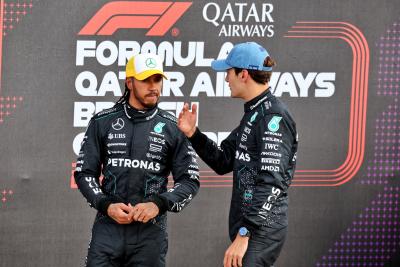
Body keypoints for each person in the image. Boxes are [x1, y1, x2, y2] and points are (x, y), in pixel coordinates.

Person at [178, 42, 298, 267]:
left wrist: (245, 233)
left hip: (260, 232)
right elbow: (223, 160)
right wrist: (193, 133)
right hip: (251, 230)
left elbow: (272, 183)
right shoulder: (255, 113)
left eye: (228, 72)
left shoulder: (273, 117)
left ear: (243, 74)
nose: (226, 79)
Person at [74, 53, 200, 267]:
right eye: (146, 80)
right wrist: (106, 205)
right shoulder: (102, 121)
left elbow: (190, 181)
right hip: (108, 229)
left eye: (157, 79)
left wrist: (158, 204)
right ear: (129, 82)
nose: (153, 86)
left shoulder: (173, 127)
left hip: (150, 234)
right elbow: (84, 173)